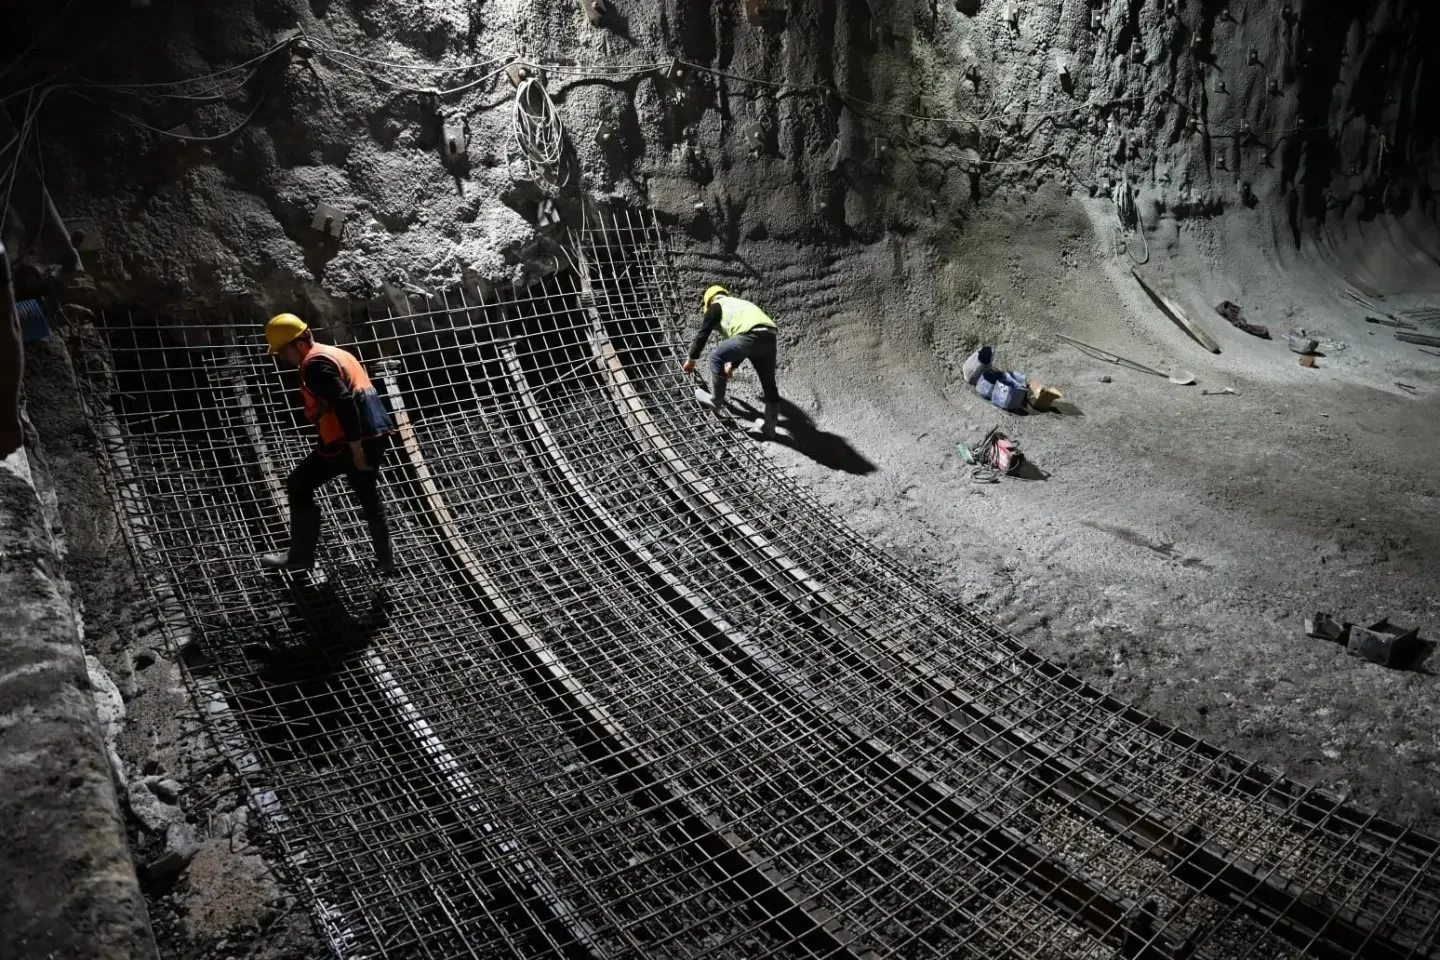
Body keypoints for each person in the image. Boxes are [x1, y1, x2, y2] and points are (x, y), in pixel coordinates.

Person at [260, 313, 396, 573]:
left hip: (349, 440)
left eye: (283, 352)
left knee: (299, 484)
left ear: (299, 344)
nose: (283, 359)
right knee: (367, 495)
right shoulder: (335, 353)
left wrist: (355, 448)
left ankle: (300, 557)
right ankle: (385, 561)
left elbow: (344, 401)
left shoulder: (314, 366)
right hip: (375, 433)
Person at [681, 284, 780, 438]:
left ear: (709, 301)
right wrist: (732, 366)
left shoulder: (716, 306)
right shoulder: (739, 304)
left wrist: (691, 359)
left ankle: (716, 400)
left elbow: (703, 334)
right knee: (769, 383)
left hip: (750, 335)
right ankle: (770, 428)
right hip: (769, 337)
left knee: (715, 357)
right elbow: (745, 346)